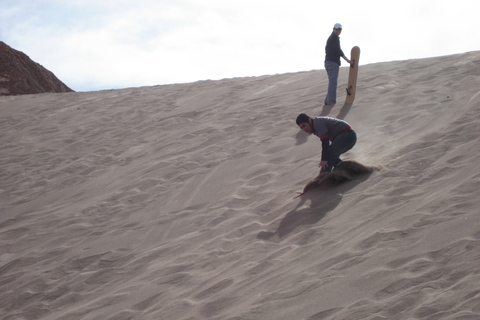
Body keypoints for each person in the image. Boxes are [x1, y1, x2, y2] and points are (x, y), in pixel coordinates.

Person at [324, 23, 352, 105]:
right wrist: (348, 60)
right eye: (337, 29)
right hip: (332, 63)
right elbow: (338, 51)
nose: (338, 31)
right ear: (333, 29)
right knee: (333, 83)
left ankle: (327, 101)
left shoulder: (330, 39)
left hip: (328, 62)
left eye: (340, 30)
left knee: (331, 82)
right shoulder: (334, 38)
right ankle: (331, 101)